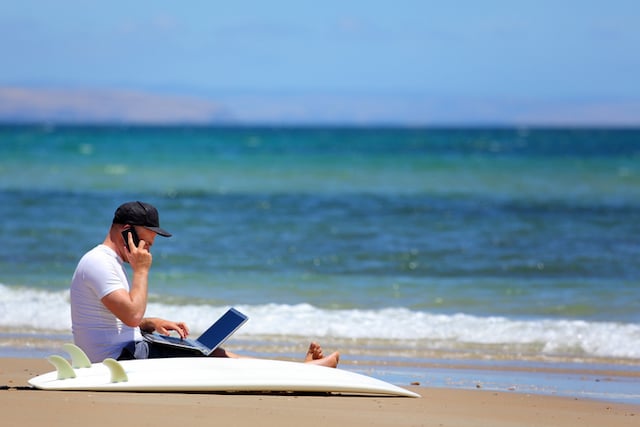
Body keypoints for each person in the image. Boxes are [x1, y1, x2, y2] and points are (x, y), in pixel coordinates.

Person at [70, 201, 339, 368]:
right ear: (126, 231)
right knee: (214, 357)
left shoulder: (107, 261)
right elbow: (131, 315)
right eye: (145, 243)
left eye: (150, 246)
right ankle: (300, 372)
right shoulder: (100, 263)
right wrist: (141, 271)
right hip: (121, 362)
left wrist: (150, 323)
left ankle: (295, 370)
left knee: (209, 351)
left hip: (129, 350)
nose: (148, 252)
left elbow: (112, 320)